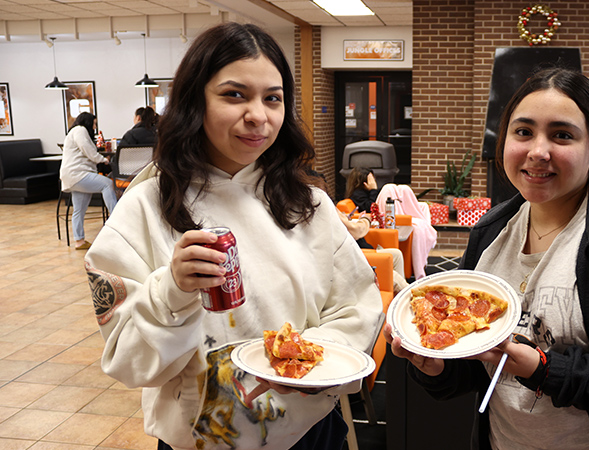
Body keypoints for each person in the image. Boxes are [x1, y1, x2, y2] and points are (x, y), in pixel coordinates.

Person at [84, 23, 383, 450]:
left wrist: (306, 363)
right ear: (194, 101)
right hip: (201, 438)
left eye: (273, 98)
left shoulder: (307, 204)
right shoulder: (146, 207)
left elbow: (359, 308)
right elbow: (126, 362)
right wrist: (172, 289)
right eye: (234, 94)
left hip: (309, 432)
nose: (258, 115)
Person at [384, 67, 589, 449]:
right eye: (523, 132)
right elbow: (475, 369)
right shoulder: (491, 230)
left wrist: (545, 370)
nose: (538, 151)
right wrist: (435, 366)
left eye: (562, 135)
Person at [59, 111, 117, 250]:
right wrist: (103, 160)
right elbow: (88, 150)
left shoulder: (73, 132)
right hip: (78, 174)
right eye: (94, 123)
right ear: (88, 122)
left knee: (79, 210)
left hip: (73, 175)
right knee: (107, 184)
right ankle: (117, 219)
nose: (94, 127)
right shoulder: (80, 130)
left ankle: (79, 241)